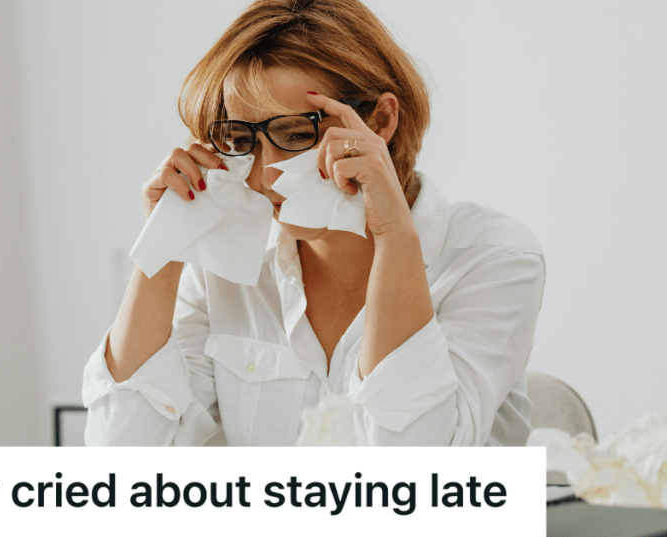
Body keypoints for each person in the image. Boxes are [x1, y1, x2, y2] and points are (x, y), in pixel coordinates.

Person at [81, 0, 544, 446]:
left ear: (381, 120)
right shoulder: (228, 270)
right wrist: (161, 251)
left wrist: (393, 236)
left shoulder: (491, 258)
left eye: (294, 134)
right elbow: (126, 464)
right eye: (242, 138)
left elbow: (414, 475)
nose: (264, 176)